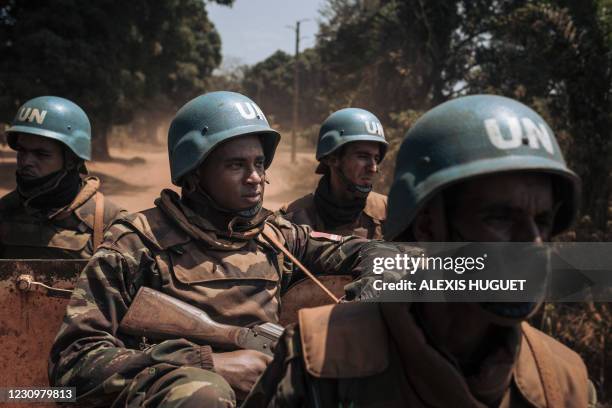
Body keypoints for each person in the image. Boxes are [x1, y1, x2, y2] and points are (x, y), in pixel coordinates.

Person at [48, 91, 412, 408]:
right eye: (236, 165)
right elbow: (73, 364)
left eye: (258, 164)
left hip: (269, 389)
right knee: (203, 393)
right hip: (187, 394)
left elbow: (381, 254)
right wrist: (207, 364)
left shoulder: (276, 237)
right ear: (195, 171)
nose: (254, 177)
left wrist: (354, 309)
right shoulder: (137, 242)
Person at [242, 95, 598, 407]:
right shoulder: (316, 355)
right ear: (427, 225)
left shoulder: (565, 384)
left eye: (544, 221)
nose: (532, 243)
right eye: (499, 218)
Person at [0, 96, 125, 258]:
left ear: (72, 160)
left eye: (41, 154)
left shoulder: (111, 223)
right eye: (22, 150)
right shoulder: (4, 211)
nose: (26, 161)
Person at [281, 108, 388, 239]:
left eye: (376, 158)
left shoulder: (391, 213)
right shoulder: (290, 218)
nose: (373, 168)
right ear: (333, 159)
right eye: (363, 156)